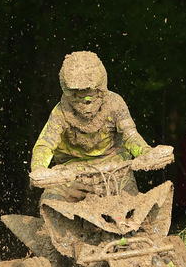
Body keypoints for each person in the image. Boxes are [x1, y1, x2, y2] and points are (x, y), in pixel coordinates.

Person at [29, 51, 151, 197]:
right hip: (71, 174)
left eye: (89, 94)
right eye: (75, 94)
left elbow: (130, 136)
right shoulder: (61, 112)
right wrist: (39, 168)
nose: (84, 102)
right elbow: (45, 144)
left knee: (130, 199)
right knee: (52, 199)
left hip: (114, 169)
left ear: (101, 88)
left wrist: (146, 152)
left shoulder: (115, 104)